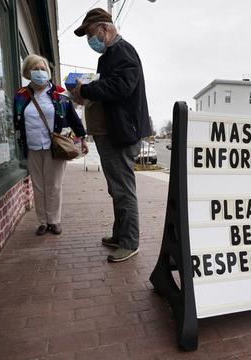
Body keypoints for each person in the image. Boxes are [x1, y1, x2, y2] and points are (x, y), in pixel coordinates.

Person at [71, 8, 151, 262]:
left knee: (123, 189)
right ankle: (120, 235)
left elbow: (121, 86)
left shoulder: (122, 50)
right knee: (116, 188)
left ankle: (129, 241)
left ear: (104, 28)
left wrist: (87, 89)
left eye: (90, 34)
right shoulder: (110, 54)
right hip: (113, 131)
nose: (89, 41)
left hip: (121, 133)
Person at [14, 54, 89, 236]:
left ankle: (54, 220)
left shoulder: (59, 92)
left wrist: (82, 137)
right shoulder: (21, 95)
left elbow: (72, 117)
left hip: (54, 147)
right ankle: (42, 222)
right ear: (27, 72)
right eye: (35, 69)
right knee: (38, 186)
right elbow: (16, 121)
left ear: (47, 72)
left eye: (42, 69)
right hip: (32, 147)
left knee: (54, 185)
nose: (40, 72)